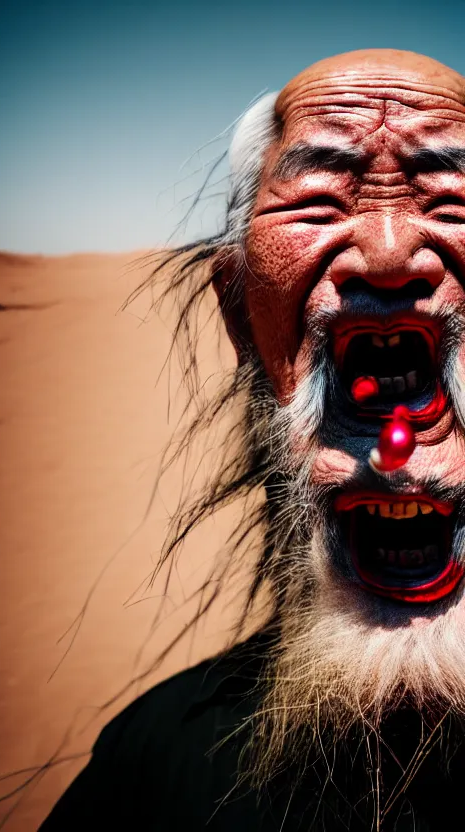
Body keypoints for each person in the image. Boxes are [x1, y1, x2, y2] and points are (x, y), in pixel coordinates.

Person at [39, 49, 465, 830]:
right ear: (240, 314)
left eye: (451, 200)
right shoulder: (156, 765)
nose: (390, 252)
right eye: (316, 203)